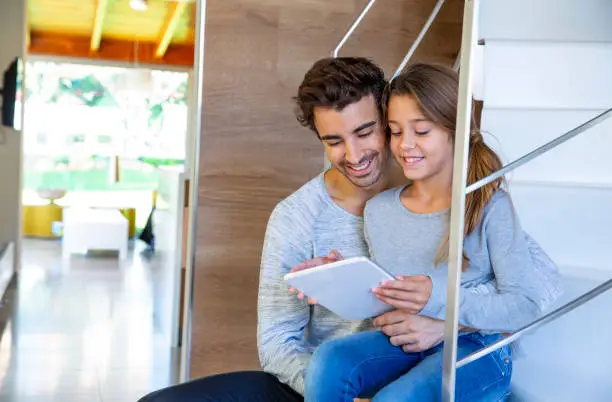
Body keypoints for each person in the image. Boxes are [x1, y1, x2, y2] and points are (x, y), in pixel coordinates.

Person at [138, 58, 559, 402]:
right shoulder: (301, 217)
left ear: (386, 116)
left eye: (366, 132)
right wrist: (333, 282)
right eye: (334, 140)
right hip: (337, 380)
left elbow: (537, 290)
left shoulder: (446, 189)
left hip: (436, 361)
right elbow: (277, 342)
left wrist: (447, 322)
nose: (354, 154)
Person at [302, 63, 562, 402]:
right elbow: (390, 298)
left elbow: (525, 305)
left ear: (453, 130)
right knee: (329, 360)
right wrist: (338, 277)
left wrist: (440, 308)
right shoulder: (380, 210)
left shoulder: (488, 205)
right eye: (395, 131)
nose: (405, 145)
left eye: (421, 131)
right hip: (406, 344)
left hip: (477, 349)